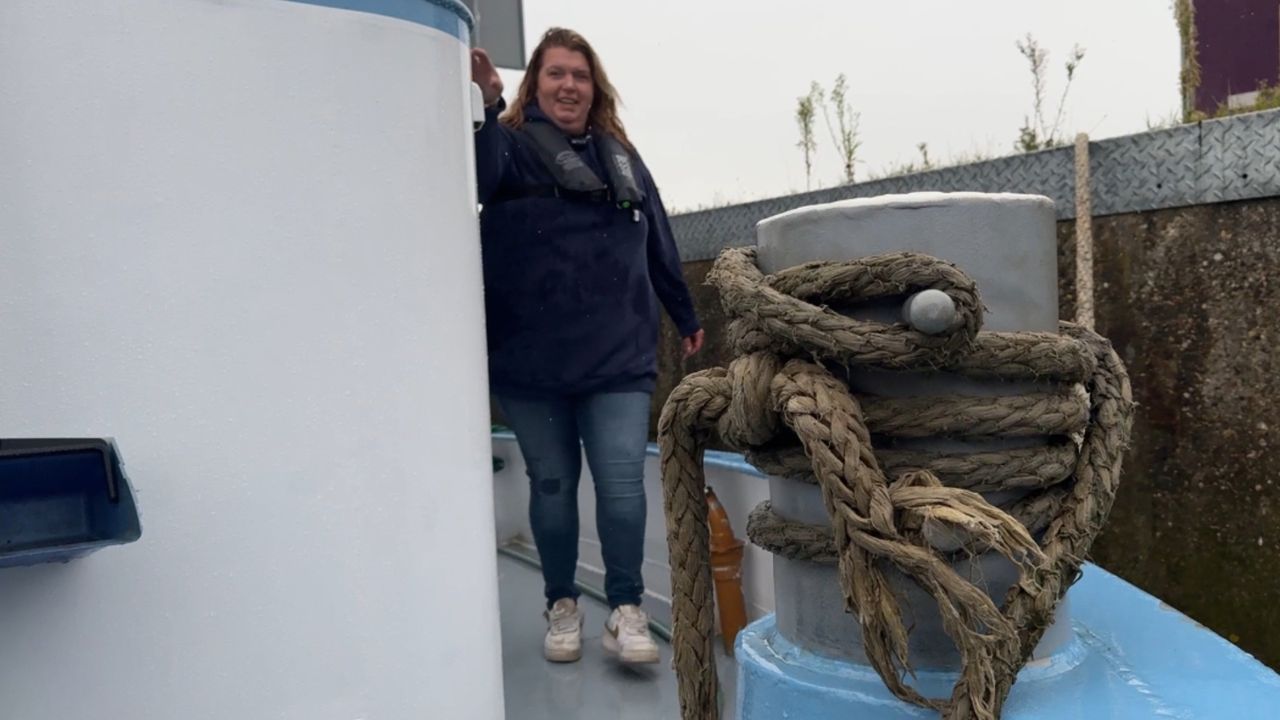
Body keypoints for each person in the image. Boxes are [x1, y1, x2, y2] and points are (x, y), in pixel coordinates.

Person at [471, 27, 704, 665]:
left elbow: (656, 233)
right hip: (530, 360)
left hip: (618, 357)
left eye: (579, 74)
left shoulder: (622, 156)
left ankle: (625, 607)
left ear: (593, 86)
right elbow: (481, 176)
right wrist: (487, 107)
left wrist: (683, 311)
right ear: (534, 85)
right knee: (551, 485)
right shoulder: (511, 148)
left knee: (625, 484)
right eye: (555, 74)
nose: (569, 85)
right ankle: (561, 603)